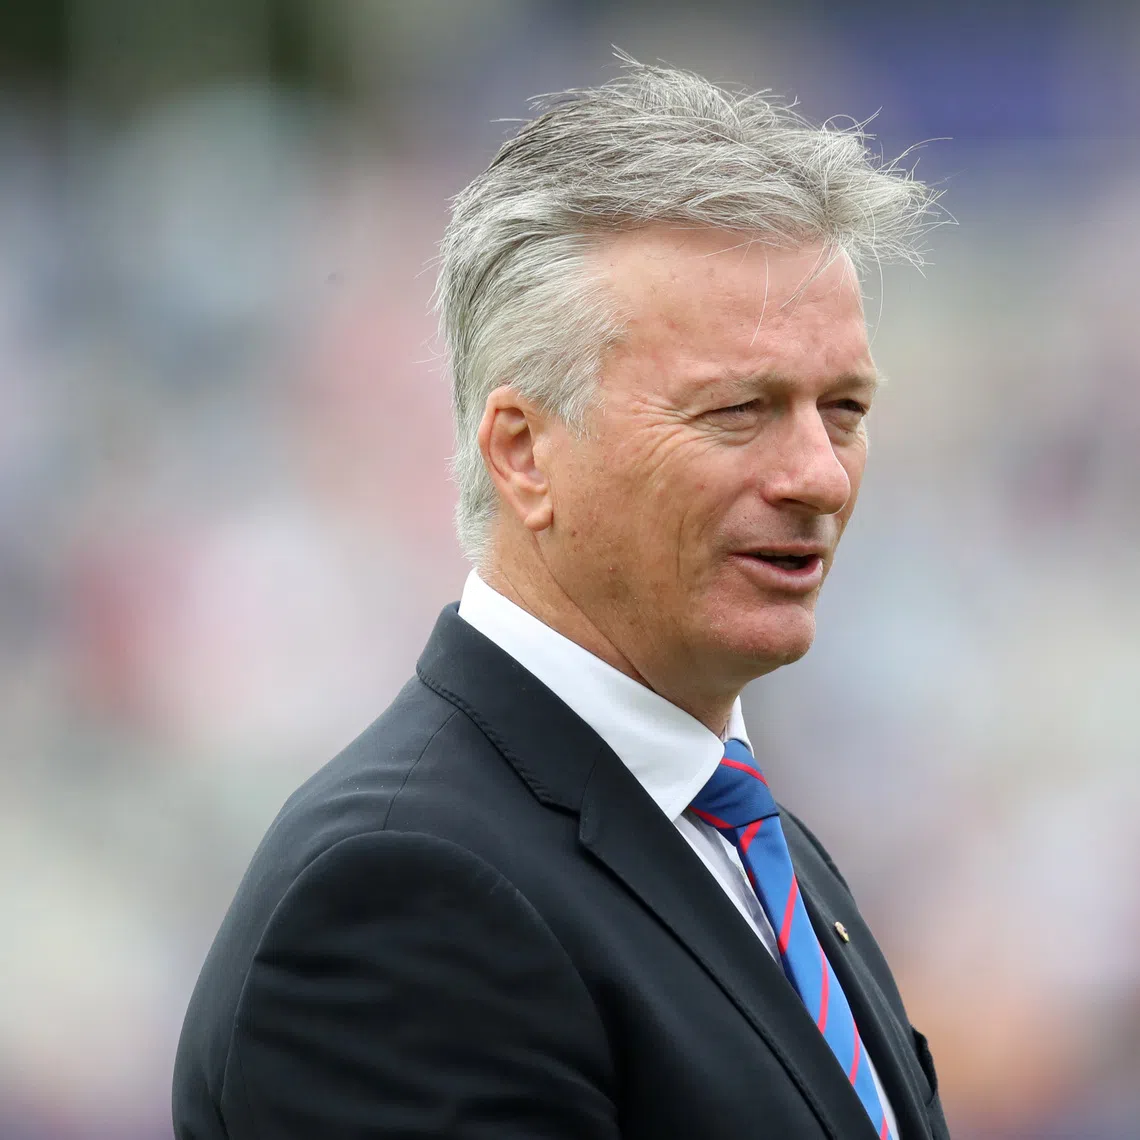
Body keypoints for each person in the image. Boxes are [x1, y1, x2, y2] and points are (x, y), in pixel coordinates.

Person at [173, 58, 950, 1139]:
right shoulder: (408, 896)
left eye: (845, 407)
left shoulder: (744, 840)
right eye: (739, 410)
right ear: (524, 452)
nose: (818, 473)